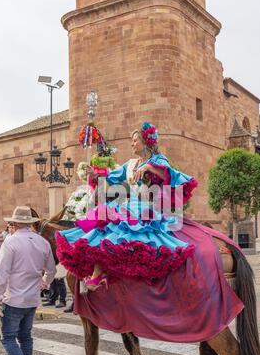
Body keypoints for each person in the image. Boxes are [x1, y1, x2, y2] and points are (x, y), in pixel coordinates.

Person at [56, 122, 198, 290]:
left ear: (146, 142)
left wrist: (148, 166)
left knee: (124, 225)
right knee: (105, 225)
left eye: (135, 140)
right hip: (131, 205)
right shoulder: (130, 164)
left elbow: (168, 174)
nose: (132, 144)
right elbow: (111, 175)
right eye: (132, 141)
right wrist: (95, 173)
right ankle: (99, 273)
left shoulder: (159, 160)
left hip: (150, 207)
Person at [0, 206, 56, 355]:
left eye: (11, 223)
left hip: (14, 298)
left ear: (17, 223)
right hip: (32, 298)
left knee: (8, 338)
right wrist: (44, 283)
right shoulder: (42, 242)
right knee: (25, 337)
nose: (10, 225)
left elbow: (1, 274)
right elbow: (51, 270)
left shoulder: (10, 242)